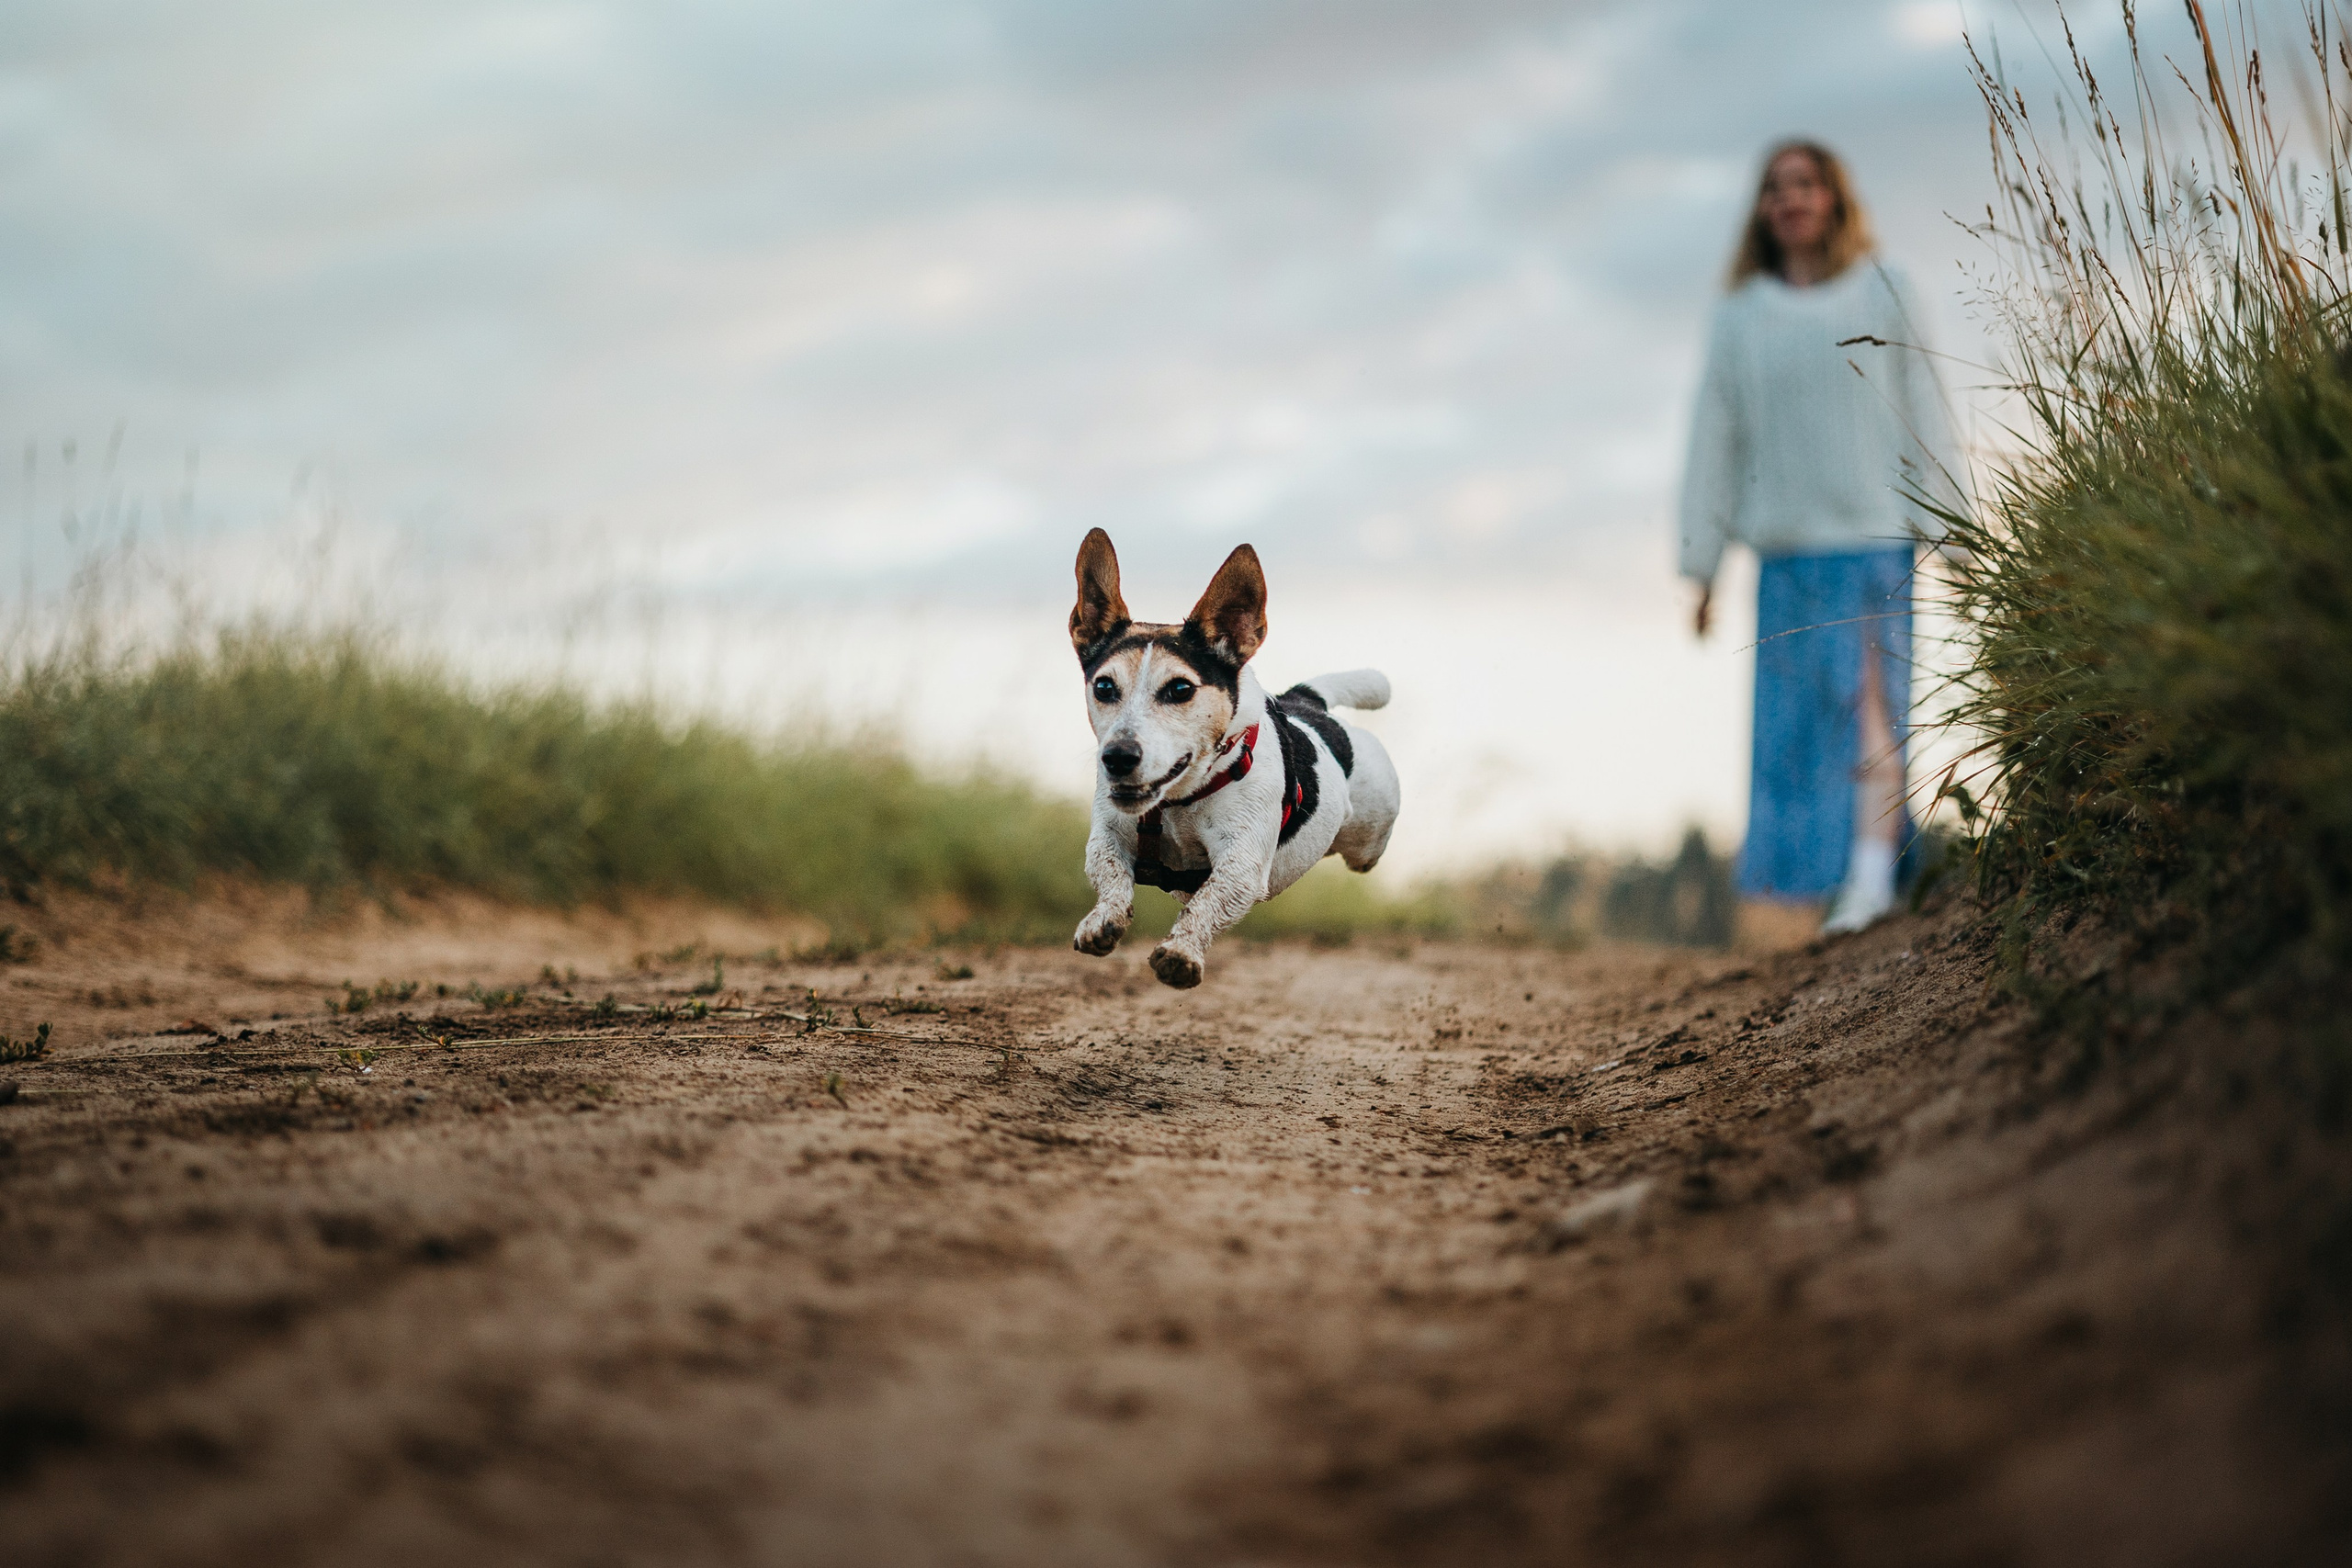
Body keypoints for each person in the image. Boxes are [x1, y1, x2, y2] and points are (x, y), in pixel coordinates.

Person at [1678, 140, 1962, 933]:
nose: (1790, 199)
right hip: (1786, 555)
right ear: (1762, 211)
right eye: (1775, 188)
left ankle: (1872, 881)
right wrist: (1701, 569)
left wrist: (1956, 534)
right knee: (1796, 740)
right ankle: (1807, 904)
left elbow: (1928, 413)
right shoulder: (1740, 320)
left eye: (1805, 184)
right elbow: (1714, 442)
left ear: (1834, 197)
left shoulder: (1888, 290)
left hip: (1874, 543)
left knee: (1870, 711)